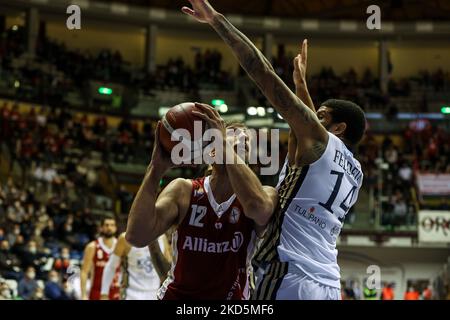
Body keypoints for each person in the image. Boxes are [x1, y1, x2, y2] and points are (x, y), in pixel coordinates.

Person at [182, 0, 366, 300]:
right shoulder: (355, 172)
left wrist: (216, 20)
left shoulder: (317, 141)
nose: (309, 118)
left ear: (339, 128)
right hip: (329, 283)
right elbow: (309, 134)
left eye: (320, 115)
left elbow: (262, 71)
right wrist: (301, 85)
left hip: (289, 275)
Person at [126, 110, 278, 300]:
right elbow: (136, 236)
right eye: (233, 134)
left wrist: (223, 143)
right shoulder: (183, 190)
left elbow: (258, 209)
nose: (245, 139)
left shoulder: (266, 193)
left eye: (247, 139)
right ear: (211, 151)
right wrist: (155, 170)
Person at [100, 232, 170, 300]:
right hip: (131, 294)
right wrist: (104, 294)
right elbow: (111, 266)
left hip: (155, 293)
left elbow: (169, 268)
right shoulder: (126, 238)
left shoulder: (162, 238)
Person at [80, 217, 120, 300]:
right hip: (97, 292)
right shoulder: (92, 246)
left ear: (116, 228)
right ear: (101, 228)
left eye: (112, 225)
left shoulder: (120, 246)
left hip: (116, 292)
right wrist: (83, 295)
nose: (109, 228)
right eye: (106, 225)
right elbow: (84, 272)